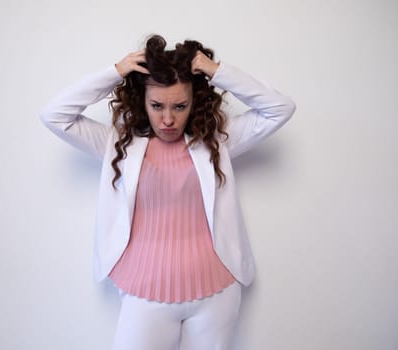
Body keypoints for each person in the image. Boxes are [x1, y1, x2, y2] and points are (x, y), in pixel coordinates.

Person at [40, 34, 296, 350]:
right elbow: (54, 115)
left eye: (180, 106)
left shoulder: (216, 141)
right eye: (157, 105)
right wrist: (115, 72)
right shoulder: (118, 146)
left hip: (215, 290)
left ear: (195, 102)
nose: (168, 119)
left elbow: (281, 108)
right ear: (141, 101)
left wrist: (217, 70)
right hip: (144, 290)